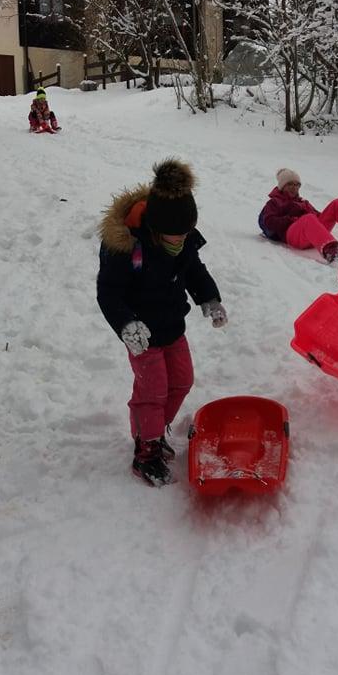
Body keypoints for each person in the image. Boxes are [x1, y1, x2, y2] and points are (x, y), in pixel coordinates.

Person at [97, 158, 228, 487]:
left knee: (182, 381)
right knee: (152, 390)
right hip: (142, 334)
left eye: (186, 232)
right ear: (156, 228)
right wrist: (126, 325)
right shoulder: (127, 247)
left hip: (172, 327)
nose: (182, 239)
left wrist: (210, 298)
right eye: (175, 233)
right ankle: (146, 449)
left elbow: (194, 270)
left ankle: (153, 432)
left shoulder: (181, 240)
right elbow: (108, 292)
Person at [259, 168, 338, 262]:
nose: (294, 187)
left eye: (297, 184)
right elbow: (269, 221)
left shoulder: (303, 202)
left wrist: (329, 215)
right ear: (282, 186)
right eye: (290, 184)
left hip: (313, 234)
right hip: (293, 236)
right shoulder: (274, 202)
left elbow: (318, 216)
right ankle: (330, 251)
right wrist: (292, 219)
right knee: (308, 218)